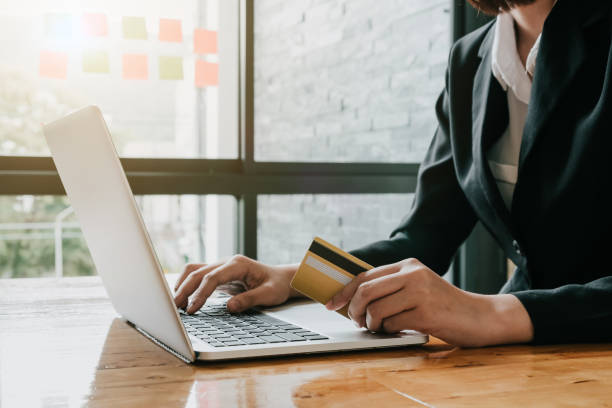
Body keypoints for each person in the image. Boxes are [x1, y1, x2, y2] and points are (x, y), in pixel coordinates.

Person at [174, 0, 612, 347]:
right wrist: (295, 277)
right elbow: (423, 238)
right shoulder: (469, 61)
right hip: (527, 358)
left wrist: (486, 313)